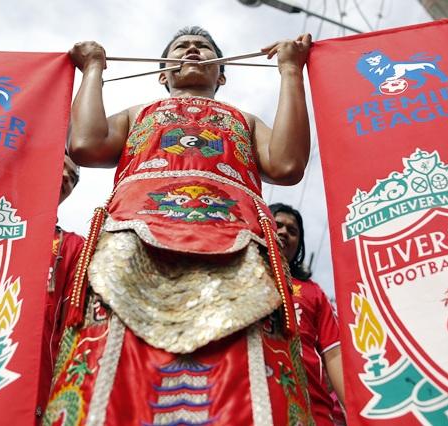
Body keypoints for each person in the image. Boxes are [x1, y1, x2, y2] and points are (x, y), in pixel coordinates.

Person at [44, 27, 314, 425]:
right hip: (134, 240)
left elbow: (287, 164)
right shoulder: (139, 114)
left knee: (248, 365)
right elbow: (86, 143)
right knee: (112, 359)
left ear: (221, 74)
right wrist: (94, 70)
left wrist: (291, 70)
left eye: (203, 48)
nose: (192, 49)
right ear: (162, 73)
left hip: (237, 246)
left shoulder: (245, 120)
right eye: (181, 47)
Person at [270, 203, 346, 426]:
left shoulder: (313, 292)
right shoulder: (235, 275)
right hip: (246, 403)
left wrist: (354, 411)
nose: (284, 232)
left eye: (293, 231)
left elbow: (334, 354)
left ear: (299, 245)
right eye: (278, 225)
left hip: (312, 411)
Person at [36, 152, 84, 417]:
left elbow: (72, 328)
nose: (67, 177)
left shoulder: (73, 247)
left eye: (74, 177)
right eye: (60, 167)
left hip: (37, 377)